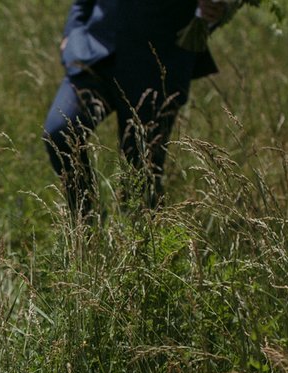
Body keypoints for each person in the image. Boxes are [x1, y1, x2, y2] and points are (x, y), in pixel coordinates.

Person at [43, 0, 228, 216]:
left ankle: (138, 245)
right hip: (95, 53)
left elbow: (215, 8)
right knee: (60, 130)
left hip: (156, 67)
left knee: (140, 181)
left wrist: (212, 12)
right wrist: (72, 31)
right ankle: (85, 225)